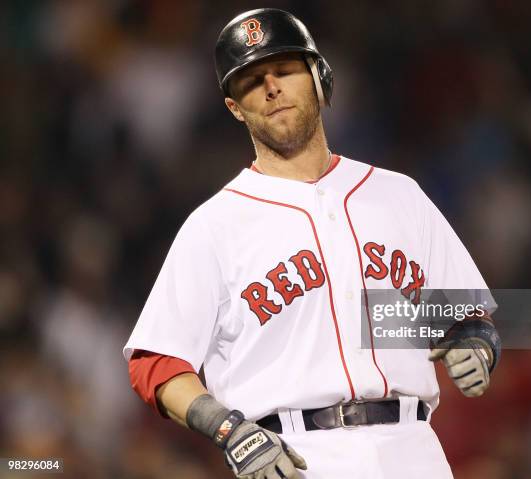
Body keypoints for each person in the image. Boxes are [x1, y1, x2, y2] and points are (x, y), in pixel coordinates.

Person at [123, 8, 501, 479]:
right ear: (234, 107)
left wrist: (477, 342)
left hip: (414, 450)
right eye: (251, 80)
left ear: (320, 77)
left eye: (284, 68)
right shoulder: (214, 225)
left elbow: (464, 315)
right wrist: (227, 429)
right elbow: (155, 362)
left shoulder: (399, 195)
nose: (271, 87)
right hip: (296, 457)